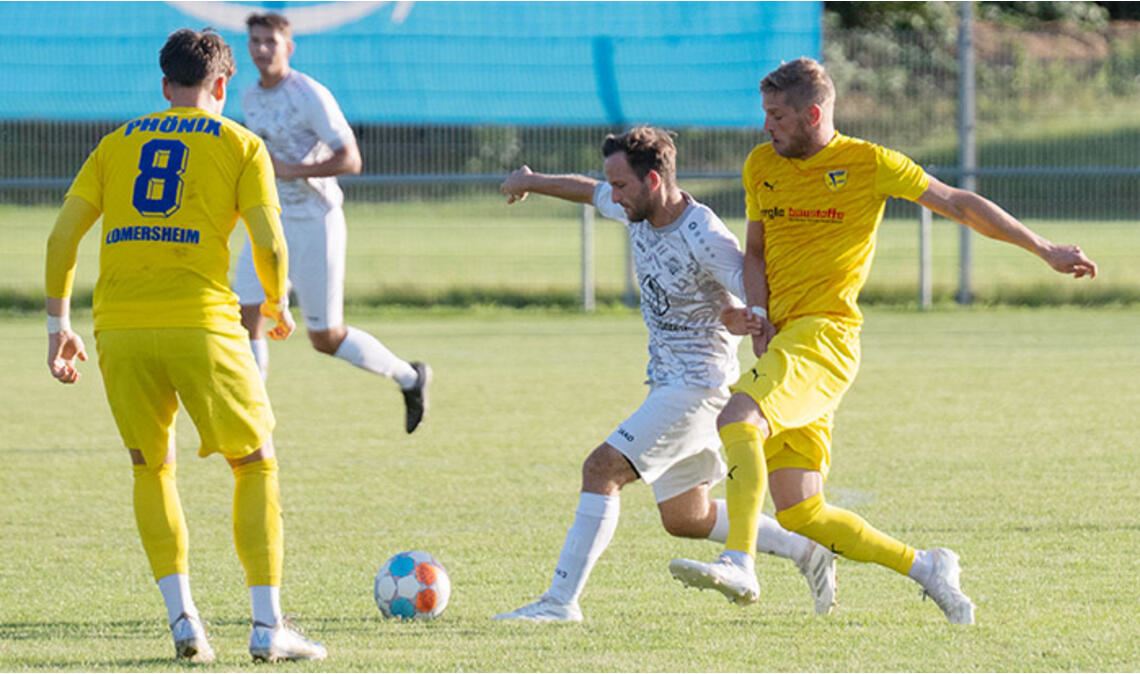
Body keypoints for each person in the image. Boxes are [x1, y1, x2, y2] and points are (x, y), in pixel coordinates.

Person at [669, 57, 1098, 625]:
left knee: (738, 417)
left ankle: (739, 560)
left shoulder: (868, 163)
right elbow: (755, 252)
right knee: (800, 512)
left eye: (776, 115)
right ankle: (928, 566)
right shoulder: (760, 164)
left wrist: (1044, 248)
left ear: (813, 114)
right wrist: (759, 310)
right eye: (764, 114)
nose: (766, 125)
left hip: (827, 336)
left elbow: (957, 203)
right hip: (784, 341)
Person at [44, 29, 328, 662]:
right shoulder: (241, 143)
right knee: (254, 462)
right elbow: (271, 244)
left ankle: (184, 624)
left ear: (165, 87)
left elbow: (62, 238)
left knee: (152, 467)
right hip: (202, 324)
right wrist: (278, 303)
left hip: (117, 326)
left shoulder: (117, 143)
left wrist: (57, 326)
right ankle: (266, 627)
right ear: (222, 86)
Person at [492, 127, 838, 623]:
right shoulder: (634, 206)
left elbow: (752, 282)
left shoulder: (704, 234)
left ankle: (559, 602)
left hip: (697, 388)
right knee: (685, 517)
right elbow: (587, 192)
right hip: (669, 382)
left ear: (653, 180)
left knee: (601, 469)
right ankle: (806, 550)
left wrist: (749, 313)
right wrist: (531, 179)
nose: (612, 195)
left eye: (621, 186)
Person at [233, 12, 430, 434]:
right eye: (255, 40)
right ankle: (254, 418)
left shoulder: (309, 94)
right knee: (244, 314)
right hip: (269, 222)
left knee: (324, 337)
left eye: (271, 40)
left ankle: (410, 378)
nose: (262, 48)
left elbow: (351, 159)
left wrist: (290, 170)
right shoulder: (249, 95)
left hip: (315, 221)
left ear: (289, 47)